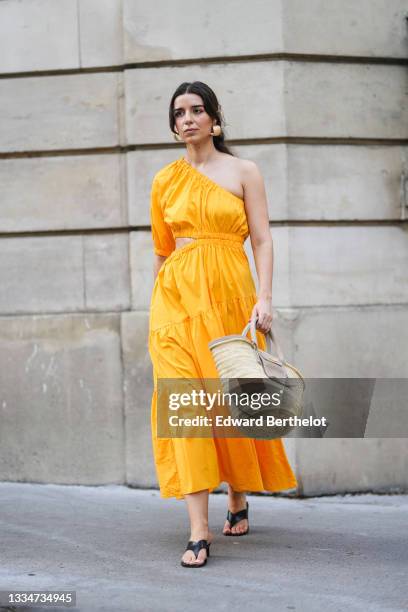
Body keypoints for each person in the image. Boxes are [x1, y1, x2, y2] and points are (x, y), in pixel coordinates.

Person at [148, 81, 298, 568]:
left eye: (197, 110)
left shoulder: (243, 171)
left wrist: (265, 297)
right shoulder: (164, 181)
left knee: (228, 401)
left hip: (230, 297)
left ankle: (238, 494)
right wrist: (156, 309)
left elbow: (262, 239)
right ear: (173, 126)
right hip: (175, 303)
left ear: (215, 118)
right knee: (185, 404)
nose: (187, 119)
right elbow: (161, 250)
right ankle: (198, 529)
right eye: (179, 113)